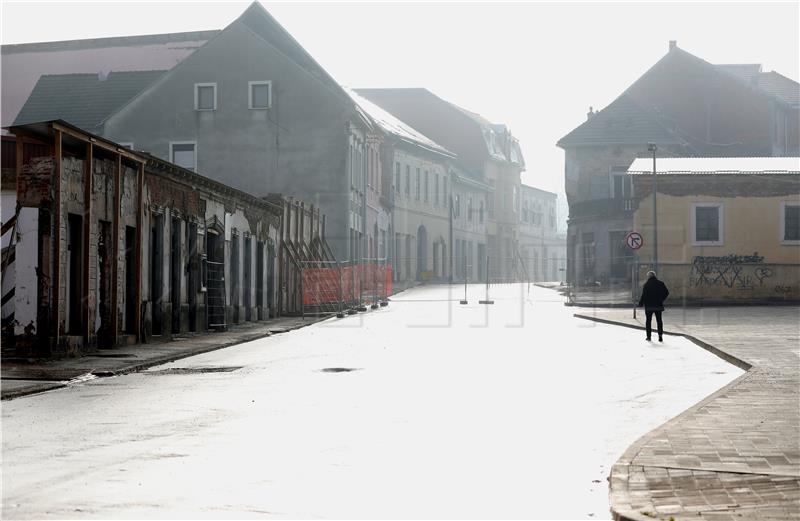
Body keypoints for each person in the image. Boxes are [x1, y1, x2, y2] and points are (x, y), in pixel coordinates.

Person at [638, 271, 669, 342]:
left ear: (649, 276)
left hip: (649, 306)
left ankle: (649, 337)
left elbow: (644, 295)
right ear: (655, 276)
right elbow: (666, 292)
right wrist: (661, 299)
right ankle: (660, 336)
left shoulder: (646, 284)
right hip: (658, 305)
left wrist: (640, 303)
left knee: (648, 321)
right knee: (659, 321)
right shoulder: (660, 283)